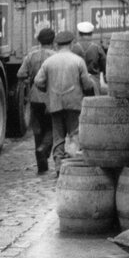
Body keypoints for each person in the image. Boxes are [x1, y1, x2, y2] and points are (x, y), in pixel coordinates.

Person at [34, 30, 94, 176]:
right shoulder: (77, 61)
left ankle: (59, 167)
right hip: (74, 103)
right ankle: (73, 164)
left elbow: (38, 81)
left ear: (57, 44)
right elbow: (87, 84)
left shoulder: (49, 62)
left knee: (58, 137)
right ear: (72, 43)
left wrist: (48, 90)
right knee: (74, 133)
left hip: (55, 104)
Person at [16, 28, 56, 174]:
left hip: (34, 97)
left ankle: (41, 165)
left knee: (37, 129)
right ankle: (44, 149)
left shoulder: (30, 56)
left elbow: (20, 74)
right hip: (51, 98)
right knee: (52, 127)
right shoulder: (55, 56)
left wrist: (29, 80)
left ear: (39, 41)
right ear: (53, 41)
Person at [71, 21, 107, 95]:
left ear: (79, 34)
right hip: (94, 83)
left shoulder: (73, 48)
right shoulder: (97, 48)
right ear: (91, 34)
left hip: (77, 83)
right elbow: (105, 64)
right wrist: (105, 77)